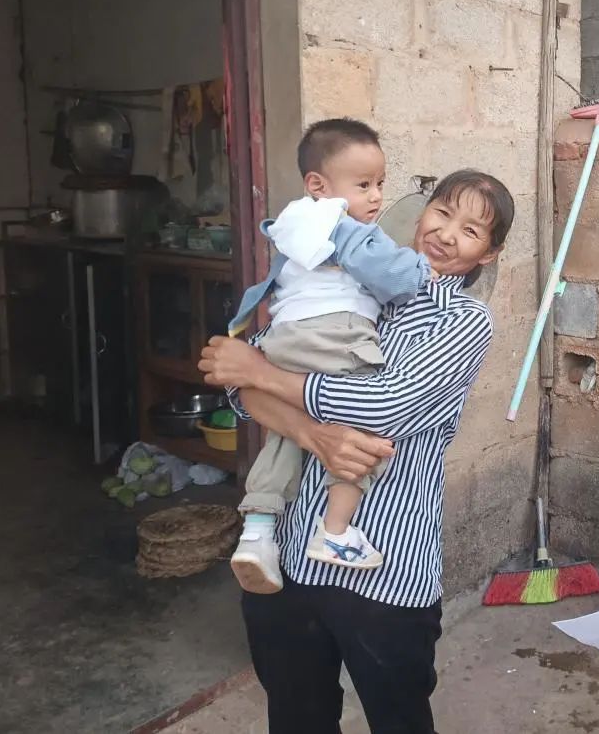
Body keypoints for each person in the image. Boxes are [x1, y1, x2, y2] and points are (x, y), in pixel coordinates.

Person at [199, 169, 514, 734]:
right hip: (288, 558)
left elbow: (383, 405)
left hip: (386, 569)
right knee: (296, 718)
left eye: (471, 231)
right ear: (423, 212)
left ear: (487, 255)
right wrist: (311, 433)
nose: (446, 234)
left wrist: (263, 375)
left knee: (398, 721)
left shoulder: (463, 321)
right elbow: (236, 388)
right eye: (442, 213)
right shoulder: (342, 281)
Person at [226, 118, 435, 592]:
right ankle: (336, 531)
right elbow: (395, 279)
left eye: (380, 183)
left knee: (285, 432)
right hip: (337, 334)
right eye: (364, 185)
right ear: (319, 185)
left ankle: (257, 532)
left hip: (286, 338)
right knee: (362, 425)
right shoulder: (345, 226)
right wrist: (419, 268)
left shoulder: (294, 224)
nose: (376, 197)